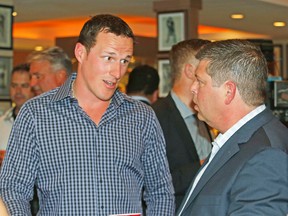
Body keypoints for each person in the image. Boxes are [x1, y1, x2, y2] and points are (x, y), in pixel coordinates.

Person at [0, 14, 175, 215]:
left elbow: (161, 192)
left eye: (125, 61)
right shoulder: (36, 114)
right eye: (108, 58)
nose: (117, 72)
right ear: (81, 52)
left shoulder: (142, 117)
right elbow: (13, 189)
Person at [177, 39, 288, 215]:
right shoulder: (245, 140)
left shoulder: (266, 155)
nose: (193, 88)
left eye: (200, 81)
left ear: (228, 91)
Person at [152, 39, 212, 210]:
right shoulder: (156, 116)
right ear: (190, 71)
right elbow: (151, 183)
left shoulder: (204, 113)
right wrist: (204, 166)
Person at [0, 63, 34, 165]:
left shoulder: (44, 124)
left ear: (34, 88)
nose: (18, 91)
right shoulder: (1, 123)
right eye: (14, 85)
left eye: (24, 86)